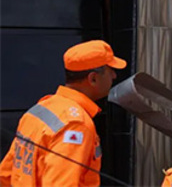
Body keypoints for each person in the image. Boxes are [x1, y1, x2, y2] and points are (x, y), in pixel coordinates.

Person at [0, 40, 127, 186]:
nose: (114, 76)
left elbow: (6, 175)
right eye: (110, 70)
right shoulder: (76, 124)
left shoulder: (41, 108)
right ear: (93, 78)